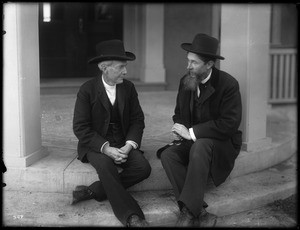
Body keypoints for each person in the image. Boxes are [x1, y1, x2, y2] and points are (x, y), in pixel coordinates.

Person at [159, 33, 242, 227]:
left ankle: (187, 214)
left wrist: (193, 133)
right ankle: (199, 211)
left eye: (194, 63)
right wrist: (179, 128)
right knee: (168, 156)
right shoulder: (186, 80)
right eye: (188, 61)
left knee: (200, 146)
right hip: (191, 140)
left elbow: (229, 124)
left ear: (209, 65)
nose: (188, 67)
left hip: (220, 143)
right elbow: (179, 113)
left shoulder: (228, 85)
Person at [72, 39, 151, 227]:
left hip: (123, 141)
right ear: (104, 67)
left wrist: (128, 145)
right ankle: (132, 216)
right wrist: (105, 148)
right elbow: (80, 127)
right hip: (95, 145)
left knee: (143, 168)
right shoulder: (87, 90)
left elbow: (137, 120)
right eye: (121, 67)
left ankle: (94, 191)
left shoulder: (128, 88)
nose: (126, 71)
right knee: (106, 165)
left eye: (125, 66)